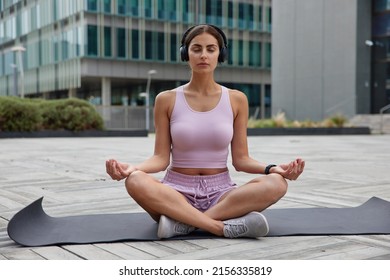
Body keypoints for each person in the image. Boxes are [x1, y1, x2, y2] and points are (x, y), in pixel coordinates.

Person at [106, 24, 305, 239]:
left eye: (211, 49)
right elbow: (160, 158)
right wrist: (132, 168)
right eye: (196, 49)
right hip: (175, 192)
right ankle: (219, 227)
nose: (204, 55)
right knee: (135, 180)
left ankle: (184, 223)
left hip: (221, 193)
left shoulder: (237, 99)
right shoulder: (166, 99)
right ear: (186, 53)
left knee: (277, 183)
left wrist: (273, 169)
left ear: (221, 53)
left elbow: (241, 160)